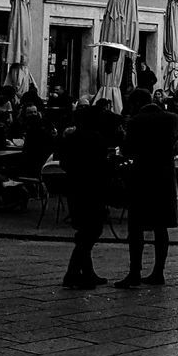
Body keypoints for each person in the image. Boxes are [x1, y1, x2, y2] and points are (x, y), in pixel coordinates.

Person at [118, 89, 178, 288]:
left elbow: (127, 150)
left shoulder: (135, 121)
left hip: (142, 178)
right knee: (161, 228)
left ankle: (135, 272)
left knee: (136, 228)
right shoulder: (171, 119)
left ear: (135, 104)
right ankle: (158, 272)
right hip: (164, 178)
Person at [58, 100, 119, 288]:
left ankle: (80, 273)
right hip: (92, 190)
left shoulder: (72, 138)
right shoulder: (96, 139)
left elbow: (63, 163)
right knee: (91, 231)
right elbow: (100, 166)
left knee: (85, 231)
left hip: (75, 188)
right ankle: (76, 274)